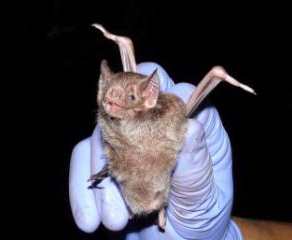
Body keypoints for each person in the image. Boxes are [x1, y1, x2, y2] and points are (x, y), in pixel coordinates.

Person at [69, 61, 244, 239]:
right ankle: (146, 209)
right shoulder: (112, 126)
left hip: (160, 174)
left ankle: (160, 209)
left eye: (129, 98)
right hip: (134, 188)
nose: (112, 103)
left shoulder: (164, 117)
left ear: (149, 97)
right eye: (109, 97)